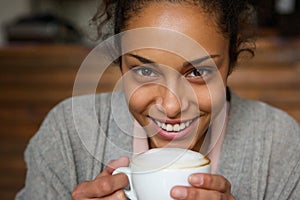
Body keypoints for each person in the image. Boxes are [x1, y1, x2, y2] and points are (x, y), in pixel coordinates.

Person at [16, 0, 300, 199]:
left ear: (232, 59)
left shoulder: (280, 144)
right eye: (144, 70)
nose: (172, 105)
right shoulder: (66, 134)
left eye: (198, 72)